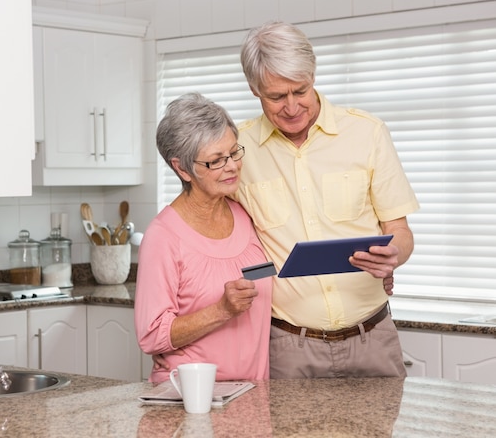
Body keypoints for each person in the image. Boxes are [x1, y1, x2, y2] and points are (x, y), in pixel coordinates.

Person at [233, 21, 420, 378]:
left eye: (300, 90)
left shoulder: (367, 133)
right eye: (276, 96)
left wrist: (393, 256)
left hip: (373, 337)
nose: (291, 107)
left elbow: (400, 230)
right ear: (254, 89)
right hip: (288, 347)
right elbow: (228, 239)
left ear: (313, 74)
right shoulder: (239, 150)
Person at [134, 93, 272, 383]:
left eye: (234, 152)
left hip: (253, 397)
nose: (232, 166)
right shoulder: (163, 237)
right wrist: (221, 310)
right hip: (189, 396)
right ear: (182, 168)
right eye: (216, 161)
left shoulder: (246, 215)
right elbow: (151, 336)